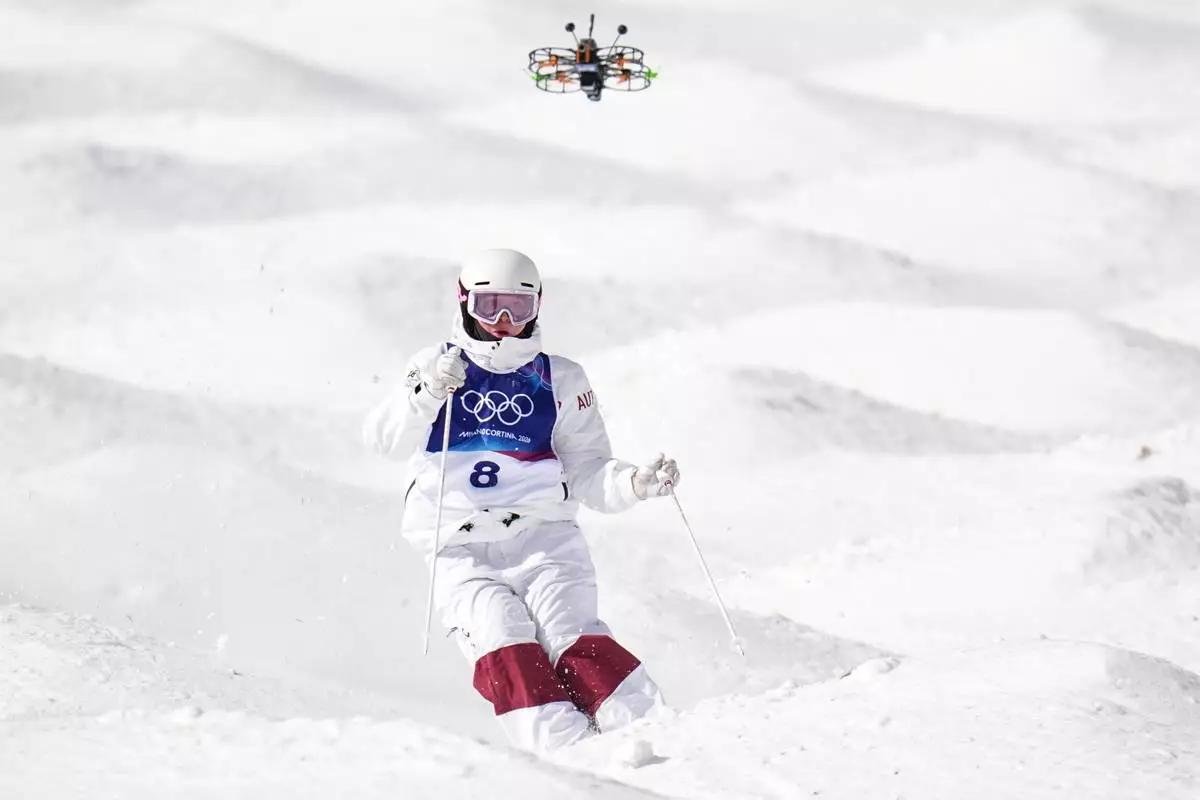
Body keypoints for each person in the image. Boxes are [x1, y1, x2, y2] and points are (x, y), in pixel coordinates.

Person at [363, 248, 680, 753]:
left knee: (571, 636)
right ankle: (570, 755)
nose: (504, 324)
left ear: (538, 306)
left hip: (544, 538)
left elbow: (589, 470)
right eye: (490, 308)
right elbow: (384, 442)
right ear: (465, 303)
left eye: (517, 307)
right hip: (459, 546)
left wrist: (634, 483)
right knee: (502, 636)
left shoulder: (561, 378)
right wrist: (424, 396)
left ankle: (653, 734)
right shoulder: (434, 364)